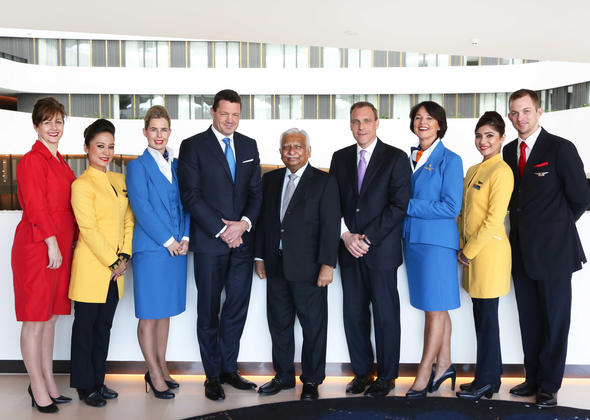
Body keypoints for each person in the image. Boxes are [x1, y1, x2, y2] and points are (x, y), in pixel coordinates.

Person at [502, 89, 590, 407]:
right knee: (529, 319)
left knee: (555, 320)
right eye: (514, 113)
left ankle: (550, 385)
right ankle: (533, 377)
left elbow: (581, 198)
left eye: (526, 111)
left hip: (554, 251)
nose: (520, 118)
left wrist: (555, 227)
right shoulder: (509, 151)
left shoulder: (560, 148)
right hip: (520, 250)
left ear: (539, 112)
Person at [178, 89, 263, 401]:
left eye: (235, 115)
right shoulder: (193, 146)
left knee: (236, 308)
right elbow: (191, 195)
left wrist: (244, 224)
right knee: (209, 310)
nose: (230, 120)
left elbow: (256, 193)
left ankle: (229, 369)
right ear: (212, 112)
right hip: (210, 243)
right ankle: (212, 375)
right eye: (225, 113)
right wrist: (222, 229)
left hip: (242, 242)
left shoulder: (249, 145)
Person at [329, 102, 411, 398]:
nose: (361, 126)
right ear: (350, 125)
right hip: (348, 249)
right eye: (355, 121)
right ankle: (362, 373)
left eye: (366, 121)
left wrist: (367, 239)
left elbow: (399, 205)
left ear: (377, 123)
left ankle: (387, 377)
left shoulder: (396, 157)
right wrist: (346, 235)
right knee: (354, 314)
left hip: (381, 251)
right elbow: (332, 202)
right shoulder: (339, 158)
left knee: (386, 315)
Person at [254, 129, 340, 401]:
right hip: (276, 265)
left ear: (308, 151)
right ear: (280, 151)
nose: (292, 151)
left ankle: (312, 380)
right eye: (286, 147)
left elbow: (330, 226)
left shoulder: (325, 182)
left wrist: (328, 264)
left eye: (298, 146)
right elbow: (263, 222)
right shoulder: (270, 180)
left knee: (313, 327)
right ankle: (283, 376)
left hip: (310, 269)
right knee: (279, 325)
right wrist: (259, 257)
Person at [11, 97, 76, 413]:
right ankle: (37, 387)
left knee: (50, 318)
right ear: (36, 125)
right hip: (38, 247)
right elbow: (35, 205)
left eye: (59, 121)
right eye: (47, 121)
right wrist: (51, 243)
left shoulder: (61, 162)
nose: (54, 127)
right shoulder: (31, 160)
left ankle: (49, 382)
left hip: (59, 247)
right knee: (35, 318)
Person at [68, 119, 134, 407]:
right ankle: (84, 386)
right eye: (100, 146)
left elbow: (129, 219)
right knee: (85, 329)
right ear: (86, 148)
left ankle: (98, 380)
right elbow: (89, 230)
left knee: (103, 328)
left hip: (116, 270)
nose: (106, 152)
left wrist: (125, 256)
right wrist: (113, 261)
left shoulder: (119, 181)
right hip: (92, 269)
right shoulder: (81, 185)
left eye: (110, 147)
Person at [126, 105, 190, 399]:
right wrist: (168, 240)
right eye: (154, 129)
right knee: (150, 314)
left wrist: (185, 236)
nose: (159, 134)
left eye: (163, 129)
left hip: (177, 250)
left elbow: (186, 203)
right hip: (152, 250)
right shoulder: (137, 167)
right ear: (145, 132)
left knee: (165, 312)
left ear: (170, 132)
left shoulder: (177, 166)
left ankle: (162, 366)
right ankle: (152, 372)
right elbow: (142, 208)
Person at [403, 101, 463, 400]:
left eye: (429, 118)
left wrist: (407, 206)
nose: (422, 122)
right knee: (436, 307)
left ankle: (424, 371)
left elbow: (451, 207)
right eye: (418, 117)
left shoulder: (450, 160)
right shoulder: (409, 157)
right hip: (413, 241)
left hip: (436, 244)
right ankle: (445, 365)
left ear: (440, 124)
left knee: (434, 310)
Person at [455, 111, 513, 401]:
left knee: (488, 321)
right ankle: (488, 378)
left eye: (490, 135)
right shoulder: (473, 170)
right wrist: (460, 244)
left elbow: (492, 221)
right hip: (472, 255)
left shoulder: (502, 171)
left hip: (488, 256)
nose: (483, 141)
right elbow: (463, 213)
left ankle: (487, 381)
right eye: (479, 136)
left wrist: (468, 250)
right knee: (482, 319)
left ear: (502, 138)